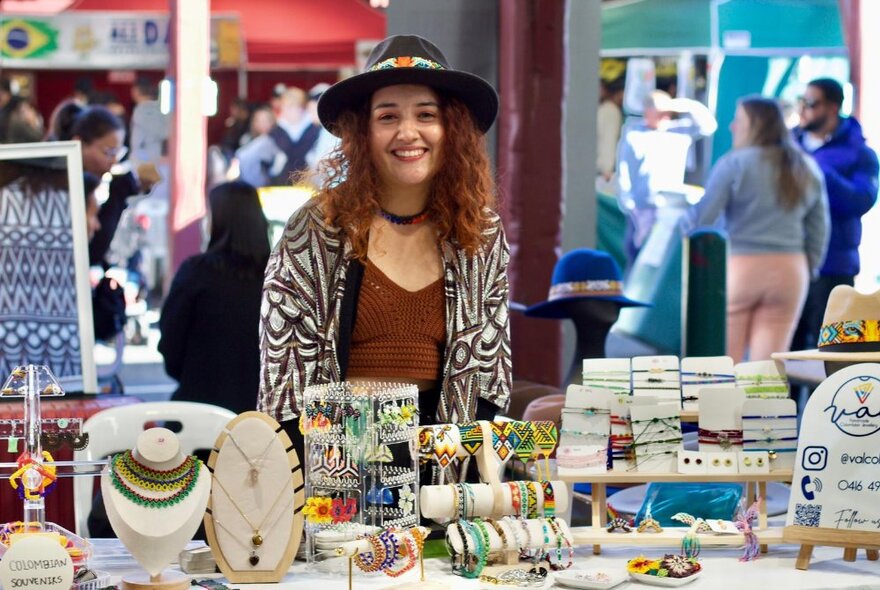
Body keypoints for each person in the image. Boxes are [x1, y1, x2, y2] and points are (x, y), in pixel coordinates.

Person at [259, 34, 511, 456]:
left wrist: (458, 480)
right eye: (388, 116)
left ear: (452, 128)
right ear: (362, 131)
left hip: (443, 468)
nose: (408, 132)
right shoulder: (317, 228)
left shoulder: (480, 232)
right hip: (335, 464)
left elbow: (491, 375)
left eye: (426, 115)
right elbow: (281, 380)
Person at [684, 96, 829, 363]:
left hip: (741, 266)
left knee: (727, 364)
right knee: (768, 369)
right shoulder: (805, 166)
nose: (731, 126)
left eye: (738, 120)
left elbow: (702, 219)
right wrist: (810, 267)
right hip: (791, 271)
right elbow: (820, 227)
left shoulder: (735, 163)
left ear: (754, 125)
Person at [158, 181, 270, 414]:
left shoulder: (195, 272)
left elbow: (171, 342)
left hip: (198, 411)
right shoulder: (279, 276)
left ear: (217, 221)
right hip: (263, 419)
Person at [791, 78, 879, 353]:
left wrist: (818, 174)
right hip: (786, 265)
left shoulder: (859, 153)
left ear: (832, 107)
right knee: (781, 359)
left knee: (830, 356)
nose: (803, 108)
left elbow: (861, 200)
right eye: (801, 101)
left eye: (811, 103)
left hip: (833, 269)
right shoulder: (786, 146)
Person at [617, 89, 717, 266]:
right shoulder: (634, 133)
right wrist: (627, 202)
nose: (665, 116)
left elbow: (709, 125)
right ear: (648, 112)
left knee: (663, 257)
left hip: (669, 207)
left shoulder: (679, 131)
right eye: (659, 111)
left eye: (667, 112)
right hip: (641, 207)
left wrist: (684, 104)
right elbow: (623, 167)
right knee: (636, 253)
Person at [70, 106, 155, 266]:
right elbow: (91, 253)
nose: (114, 161)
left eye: (118, 153)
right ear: (79, 143)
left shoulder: (96, 184)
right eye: (108, 152)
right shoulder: (67, 188)